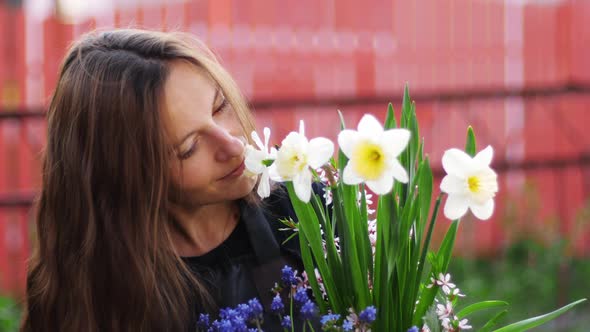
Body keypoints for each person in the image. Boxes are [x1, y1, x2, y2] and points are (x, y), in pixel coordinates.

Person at [21, 29, 314, 331]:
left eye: (220, 106)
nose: (233, 146)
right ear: (131, 177)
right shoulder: (97, 300)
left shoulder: (305, 208)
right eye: (188, 148)